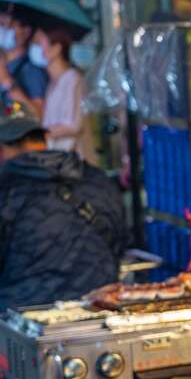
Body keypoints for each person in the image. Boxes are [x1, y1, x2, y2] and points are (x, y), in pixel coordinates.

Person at [0, 102, 125, 308]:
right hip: (96, 310)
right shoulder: (96, 177)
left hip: (23, 317)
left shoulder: (6, 189)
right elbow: (120, 243)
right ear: (44, 139)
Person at [32, 26, 95, 163]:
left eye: (38, 43)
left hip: (72, 164)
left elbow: (73, 126)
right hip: (56, 161)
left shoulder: (72, 79)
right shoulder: (52, 83)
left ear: (56, 48)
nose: (35, 48)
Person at [0, 14, 47, 118]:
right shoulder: (5, 62)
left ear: (25, 31)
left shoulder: (31, 71)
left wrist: (7, 82)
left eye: (4, 25)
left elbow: (36, 114)